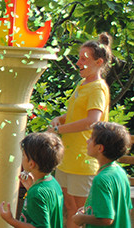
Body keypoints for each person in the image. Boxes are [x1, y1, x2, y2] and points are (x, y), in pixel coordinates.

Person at [48, 33, 112, 228]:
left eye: (84, 59)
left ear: (99, 62)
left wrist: (59, 128)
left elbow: (92, 120)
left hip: (84, 160)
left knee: (83, 213)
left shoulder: (97, 88)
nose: (78, 62)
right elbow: (77, 114)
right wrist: (60, 119)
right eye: (79, 57)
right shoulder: (82, 84)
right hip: (68, 157)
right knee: (69, 207)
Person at [0, 132, 64, 228]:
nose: (22, 158)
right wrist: (31, 188)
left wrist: (11, 220)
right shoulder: (53, 183)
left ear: (31, 164)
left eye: (24, 155)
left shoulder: (36, 193)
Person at [73, 122, 132, 227]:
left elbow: (106, 219)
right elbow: (128, 208)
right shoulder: (119, 172)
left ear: (100, 148)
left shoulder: (101, 179)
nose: (87, 141)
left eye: (91, 139)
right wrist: (88, 211)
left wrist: (81, 218)